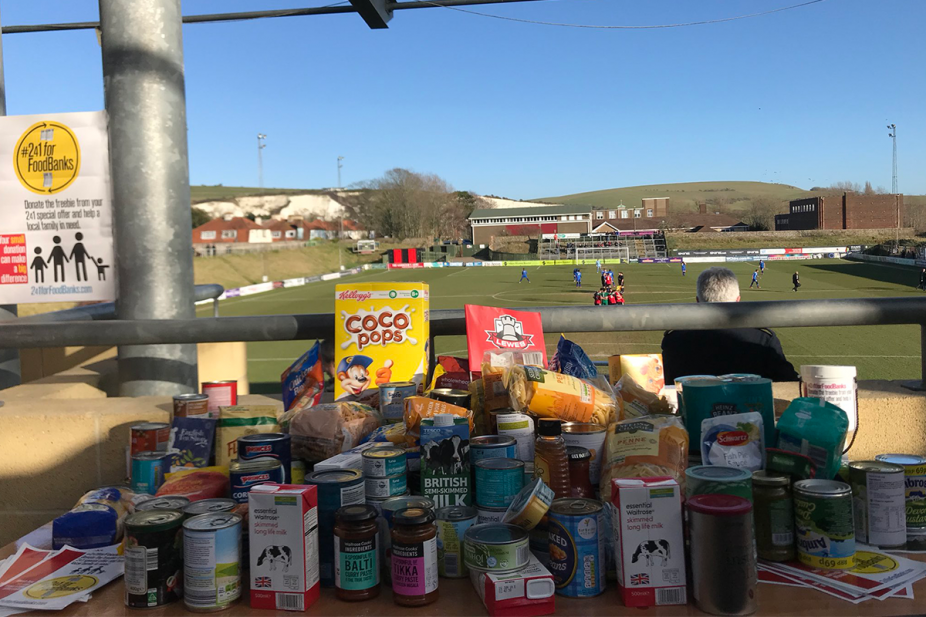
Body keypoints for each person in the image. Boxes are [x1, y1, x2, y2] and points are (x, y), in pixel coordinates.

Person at [661, 267, 798, 382]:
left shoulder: (674, 339)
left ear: (697, 301)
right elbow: (789, 383)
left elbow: (665, 383)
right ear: (738, 300)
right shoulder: (762, 338)